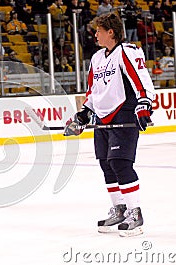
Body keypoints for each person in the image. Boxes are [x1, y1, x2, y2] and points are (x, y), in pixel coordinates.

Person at [66, 13, 156, 237]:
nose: (95, 34)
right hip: (103, 117)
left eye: (99, 30)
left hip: (124, 113)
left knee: (120, 163)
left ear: (111, 32)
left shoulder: (127, 51)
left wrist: (144, 104)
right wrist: (85, 113)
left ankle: (135, 213)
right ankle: (120, 208)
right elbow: (93, 91)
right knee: (106, 164)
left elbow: (141, 80)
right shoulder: (97, 58)